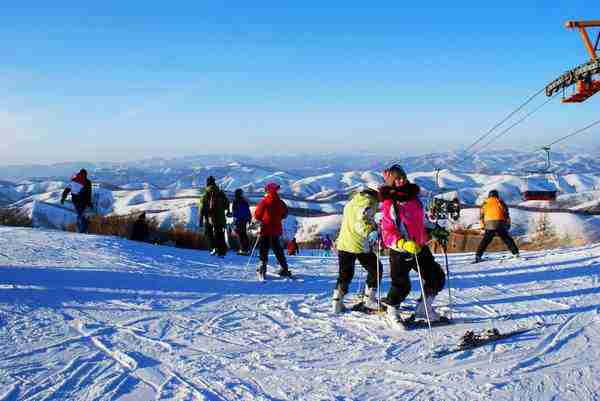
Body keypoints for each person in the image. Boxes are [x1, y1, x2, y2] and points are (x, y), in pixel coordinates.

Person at [379, 164, 446, 322]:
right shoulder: (391, 203)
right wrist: (403, 244)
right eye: (396, 179)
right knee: (401, 285)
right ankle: (392, 313)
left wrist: (435, 229)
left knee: (436, 277)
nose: (401, 180)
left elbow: (421, 220)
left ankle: (424, 309)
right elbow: (387, 231)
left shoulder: (413, 198)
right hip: (402, 250)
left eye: (402, 177)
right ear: (391, 181)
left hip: (420, 246)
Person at [332, 187, 382, 313]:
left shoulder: (352, 202)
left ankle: (337, 302)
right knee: (376, 268)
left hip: (343, 243)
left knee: (345, 273)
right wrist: (372, 231)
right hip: (358, 244)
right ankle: (369, 299)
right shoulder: (368, 202)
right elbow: (362, 222)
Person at [254, 182, 292, 278]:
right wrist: (278, 218)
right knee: (277, 248)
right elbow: (285, 214)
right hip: (276, 229)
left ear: (267, 190)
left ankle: (262, 268)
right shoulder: (280, 202)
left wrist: (262, 219)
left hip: (265, 228)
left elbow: (257, 215)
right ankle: (284, 267)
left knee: (264, 248)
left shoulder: (264, 201)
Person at [475, 190, 519, 263]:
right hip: (500, 223)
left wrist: (483, 225)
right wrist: (507, 224)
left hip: (489, 224)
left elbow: (481, 215)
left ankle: (478, 256)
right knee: (506, 238)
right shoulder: (500, 201)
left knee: (485, 240)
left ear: (489, 195)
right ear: (497, 195)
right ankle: (516, 253)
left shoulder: (485, 203)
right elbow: (506, 213)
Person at [200, 176, 229, 257]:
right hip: (220, 218)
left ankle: (213, 248)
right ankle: (222, 252)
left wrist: (200, 220)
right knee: (220, 233)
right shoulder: (220, 192)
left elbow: (201, 207)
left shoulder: (206, 193)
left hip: (209, 217)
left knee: (208, 232)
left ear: (207, 183)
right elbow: (227, 205)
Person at [60, 169, 93, 233]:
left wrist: (63, 198)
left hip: (75, 200)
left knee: (80, 213)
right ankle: (82, 228)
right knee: (80, 214)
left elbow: (67, 189)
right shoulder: (88, 182)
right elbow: (89, 193)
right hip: (84, 200)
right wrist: (89, 202)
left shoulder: (74, 180)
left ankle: (81, 228)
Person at [232, 188, 252, 255]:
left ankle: (243, 249)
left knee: (239, 234)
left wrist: (234, 220)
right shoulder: (244, 201)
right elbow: (248, 211)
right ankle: (247, 248)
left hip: (239, 219)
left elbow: (235, 212)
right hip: (245, 219)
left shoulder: (235, 201)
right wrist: (249, 219)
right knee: (243, 233)